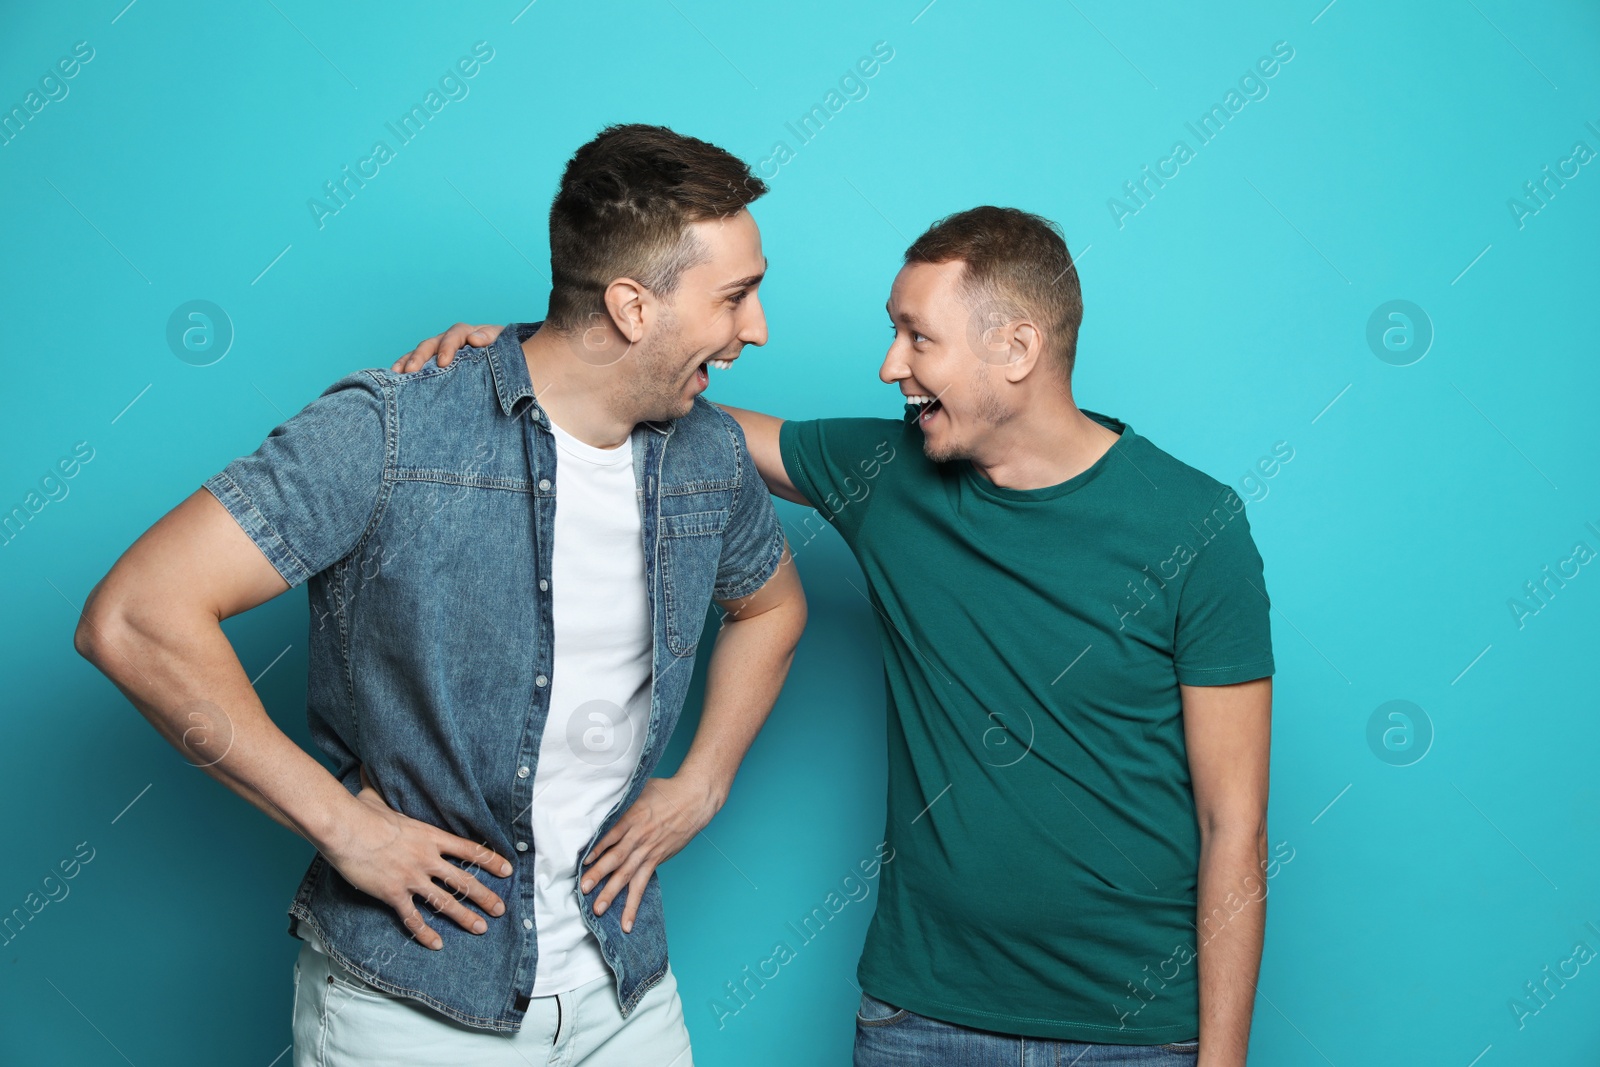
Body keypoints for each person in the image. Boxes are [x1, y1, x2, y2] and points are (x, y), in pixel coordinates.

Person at [403, 205, 1276, 1066]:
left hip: (1133, 1035)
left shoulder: (1193, 525)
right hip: (922, 1020)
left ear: (1016, 350)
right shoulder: (891, 472)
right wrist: (543, 354)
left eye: (917, 337)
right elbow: (695, 423)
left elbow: (1232, 823)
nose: (892, 365)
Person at [73, 124, 806, 1066]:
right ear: (630, 306)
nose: (758, 328)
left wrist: (703, 780)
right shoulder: (395, 430)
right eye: (736, 297)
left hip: (627, 997)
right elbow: (136, 615)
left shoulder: (705, 453)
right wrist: (338, 824)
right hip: (411, 1008)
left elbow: (770, 605)